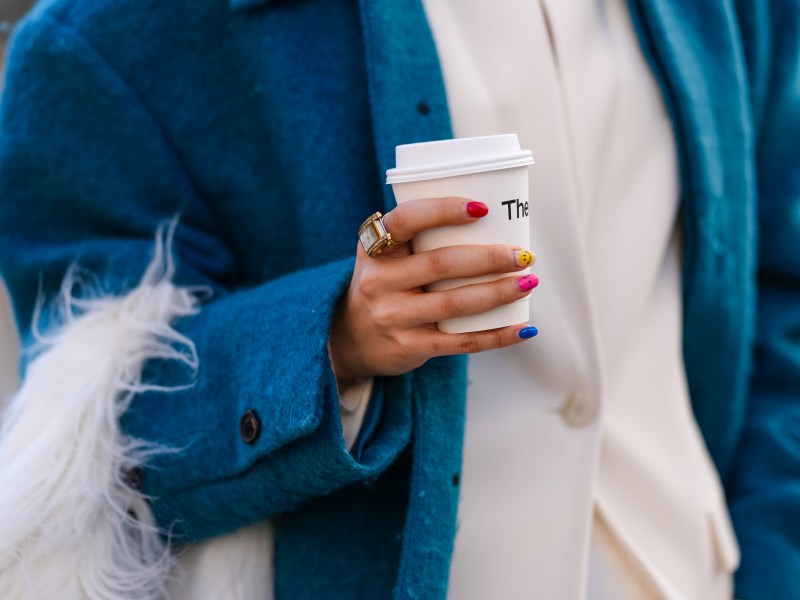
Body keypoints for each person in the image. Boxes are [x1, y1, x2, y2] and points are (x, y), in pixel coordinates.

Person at [0, 0, 797, 599]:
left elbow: (780, 298)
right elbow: (92, 436)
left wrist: (774, 563)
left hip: (687, 571)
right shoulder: (104, 38)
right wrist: (336, 338)